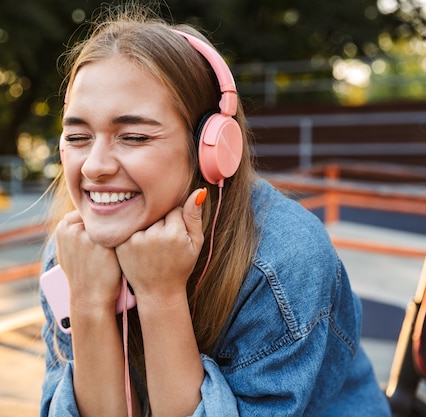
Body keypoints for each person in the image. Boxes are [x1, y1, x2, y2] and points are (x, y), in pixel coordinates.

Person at [39, 4, 391, 416]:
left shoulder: (282, 261)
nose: (95, 166)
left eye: (133, 136)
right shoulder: (74, 253)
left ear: (213, 147)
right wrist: (86, 302)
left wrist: (160, 295)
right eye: (78, 136)